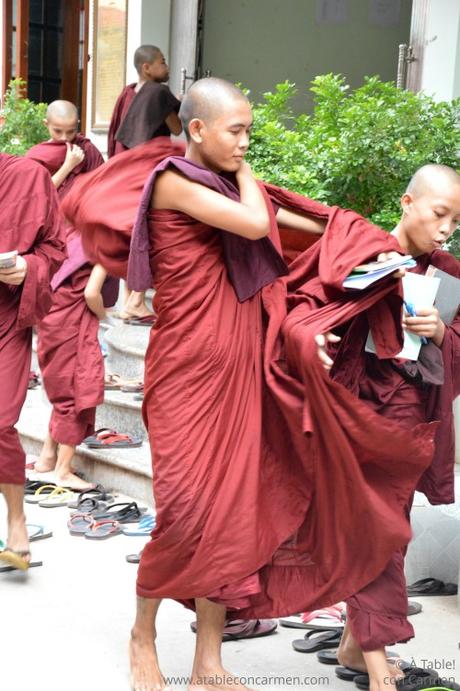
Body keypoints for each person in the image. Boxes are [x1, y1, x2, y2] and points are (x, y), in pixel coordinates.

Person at [63, 78, 434, 691]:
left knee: (235, 518)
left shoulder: (220, 179)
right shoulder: (177, 182)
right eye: (236, 131)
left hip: (242, 370)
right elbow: (259, 223)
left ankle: (210, 659)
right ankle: (143, 638)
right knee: (184, 518)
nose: (244, 142)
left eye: (249, 132)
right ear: (198, 129)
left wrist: (358, 244)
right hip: (186, 373)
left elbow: (299, 229)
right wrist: (248, 173)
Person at [333, 164, 460, 691]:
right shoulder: (361, 255)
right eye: (438, 213)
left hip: (413, 421)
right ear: (408, 203)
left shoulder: (447, 273)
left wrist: (439, 334)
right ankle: (380, 664)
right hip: (362, 415)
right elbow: (319, 318)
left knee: (391, 530)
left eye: (455, 219)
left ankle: (354, 647)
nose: (446, 227)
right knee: (377, 533)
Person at [26, 100, 114, 491]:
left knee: (68, 380)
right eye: (57, 132)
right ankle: (62, 469)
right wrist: (64, 168)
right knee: (76, 384)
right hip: (56, 280)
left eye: (71, 131)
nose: (64, 139)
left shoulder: (90, 155)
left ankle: (48, 457)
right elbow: (33, 205)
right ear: (47, 126)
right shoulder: (38, 160)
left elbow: (105, 185)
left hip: (59, 281)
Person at [0, 153, 65, 570]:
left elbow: (55, 249)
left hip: (5, 317)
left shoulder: (28, 176)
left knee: (0, 420)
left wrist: (29, 267)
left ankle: (17, 518)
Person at [108, 44, 182, 323]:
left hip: (124, 173)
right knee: (149, 232)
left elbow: (117, 134)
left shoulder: (127, 93)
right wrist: (179, 103)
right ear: (147, 68)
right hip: (148, 175)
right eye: (162, 62)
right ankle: (136, 300)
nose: (167, 67)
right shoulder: (159, 93)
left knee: (131, 233)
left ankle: (130, 299)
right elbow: (176, 128)